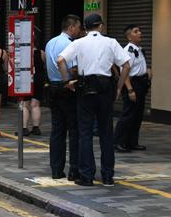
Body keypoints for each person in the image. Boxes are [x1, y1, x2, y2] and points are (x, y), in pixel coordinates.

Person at [57, 13, 131, 187]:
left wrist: (67, 81)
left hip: (85, 88)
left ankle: (87, 176)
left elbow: (60, 60)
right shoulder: (111, 42)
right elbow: (126, 65)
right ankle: (107, 176)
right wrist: (119, 87)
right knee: (106, 132)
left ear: (85, 27)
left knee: (85, 133)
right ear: (101, 26)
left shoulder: (78, 42)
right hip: (106, 88)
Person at [46, 15, 82, 181]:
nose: (80, 30)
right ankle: (74, 169)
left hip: (53, 88)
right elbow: (73, 68)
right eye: (78, 27)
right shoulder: (70, 45)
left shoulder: (50, 42)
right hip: (67, 87)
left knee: (57, 130)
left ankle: (56, 169)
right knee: (74, 130)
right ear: (71, 28)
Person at [114, 24, 152, 153]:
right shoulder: (128, 51)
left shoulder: (139, 49)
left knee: (137, 115)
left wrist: (147, 72)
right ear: (129, 37)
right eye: (136, 31)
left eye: (140, 31)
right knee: (128, 115)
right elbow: (124, 72)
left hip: (141, 84)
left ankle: (132, 142)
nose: (140, 33)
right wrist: (130, 90)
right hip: (132, 84)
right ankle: (119, 142)